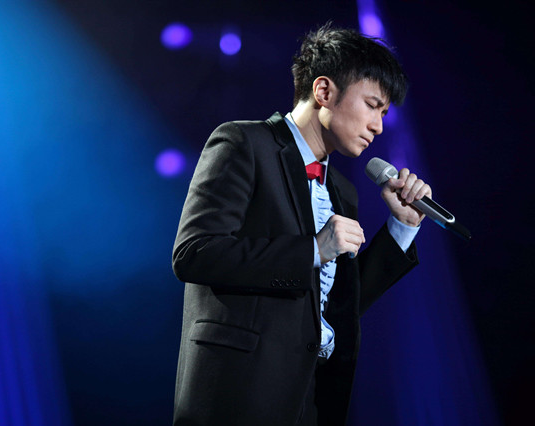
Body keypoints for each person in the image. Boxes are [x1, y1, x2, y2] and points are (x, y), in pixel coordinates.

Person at [171, 23, 432, 426]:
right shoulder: (243, 143)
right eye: (372, 105)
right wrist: (313, 250)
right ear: (324, 91)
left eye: (383, 113)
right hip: (238, 396)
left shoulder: (343, 190)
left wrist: (402, 226)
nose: (378, 126)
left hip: (307, 399)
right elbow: (194, 253)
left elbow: (338, 305)